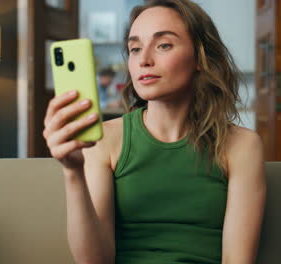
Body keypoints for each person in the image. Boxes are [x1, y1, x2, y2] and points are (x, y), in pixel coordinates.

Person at [42, 0, 266, 263]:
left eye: (163, 45)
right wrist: (72, 172)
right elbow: (94, 261)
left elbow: (237, 260)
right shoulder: (105, 139)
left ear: (200, 57)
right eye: (135, 49)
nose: (144, 60)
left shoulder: (242, 145)